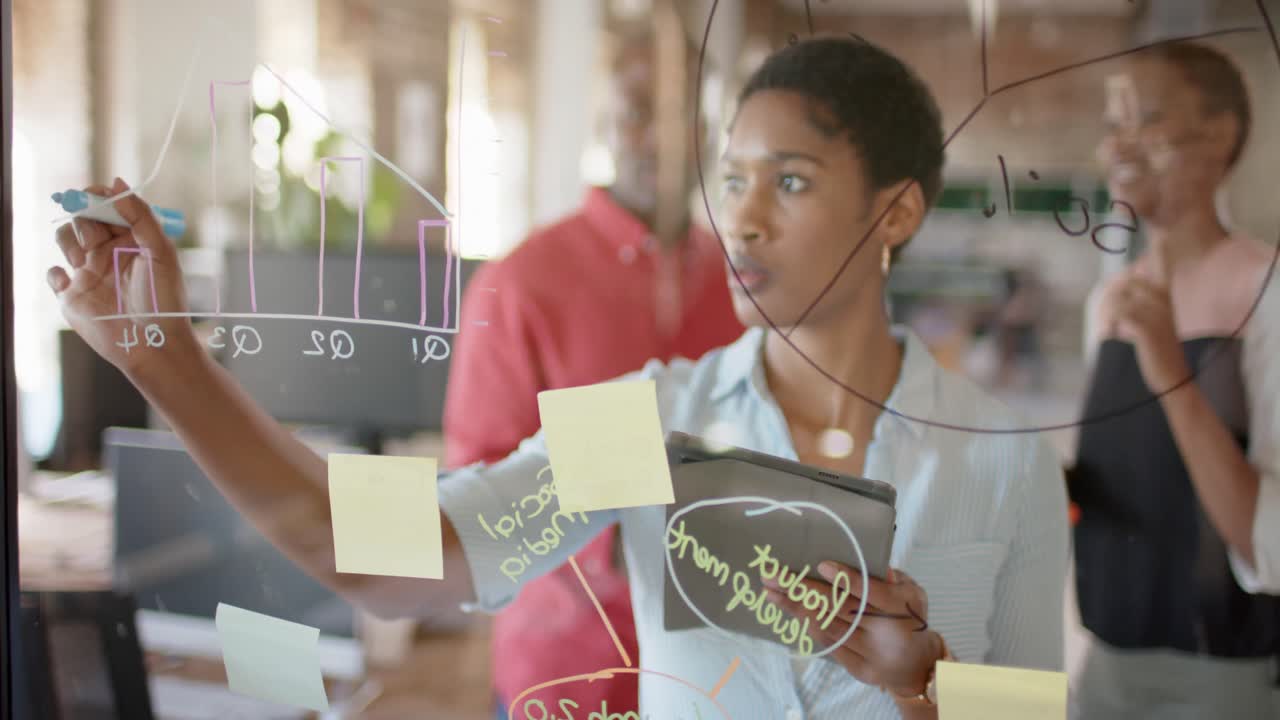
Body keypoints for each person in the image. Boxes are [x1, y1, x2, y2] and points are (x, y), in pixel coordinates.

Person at [47, 36, 1067, 719]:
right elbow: (381, 556)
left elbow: (1019, 708)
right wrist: (165, 359)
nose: (742, 218)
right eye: (734, 178)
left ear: (893, 213)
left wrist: (920, 692)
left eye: (790, 181)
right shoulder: (646, 422)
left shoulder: (1003, 464)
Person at [442, 30, 743, 717]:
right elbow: (475, 481)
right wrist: (632, 533)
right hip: (569, 673)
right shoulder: (518, 284)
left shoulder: (741, 288)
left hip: (719, 680)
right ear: (602, 123)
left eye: (683, 112)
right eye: (639, 109)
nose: (662, 137)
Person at [1069, 41, 1280, 719]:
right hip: (1104, 661)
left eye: (1146, 118)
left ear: (1218, 135)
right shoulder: (1109, 300)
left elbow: (1266, 543)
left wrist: (1171, 373)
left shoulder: (1266, 289)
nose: (1119, 145)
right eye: (1112, 124)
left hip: (1221, 678)